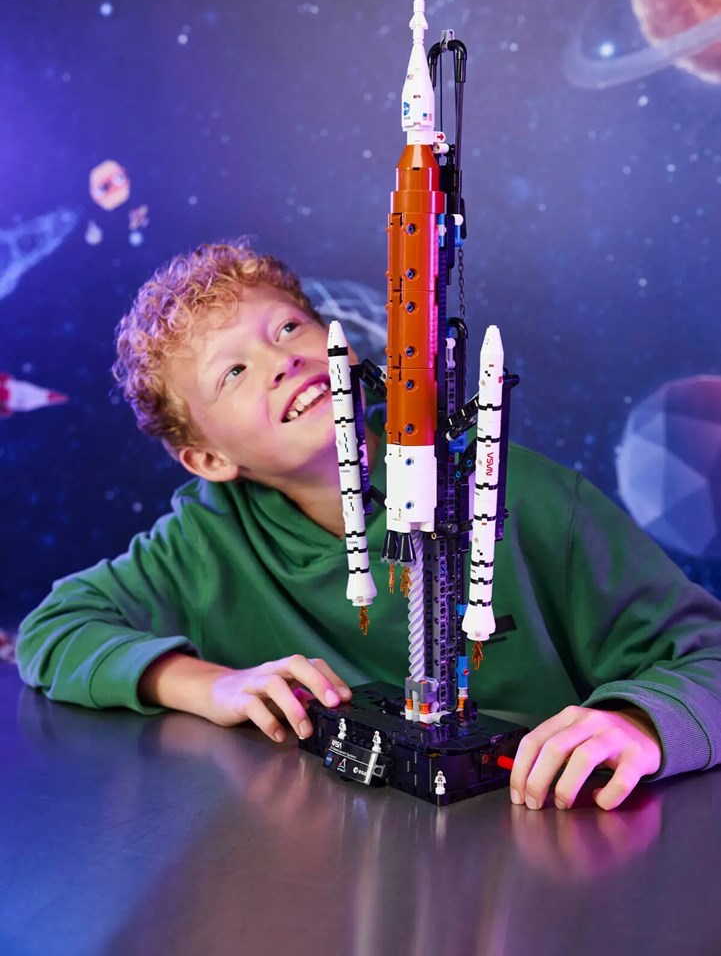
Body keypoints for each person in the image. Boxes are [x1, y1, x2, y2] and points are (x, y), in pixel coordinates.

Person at [16, 242, 721, 812]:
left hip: (536, 833)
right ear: (207, 459)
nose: (283, 361)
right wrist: (209, 686)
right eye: (233, 372)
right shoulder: (202, 542)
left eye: (288, 328)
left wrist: (638, 723)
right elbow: (53, 630)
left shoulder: (527, 497)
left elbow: (706, 655)